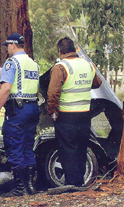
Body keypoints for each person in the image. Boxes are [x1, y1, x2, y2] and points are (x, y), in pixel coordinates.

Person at [47, 37, 102, 188]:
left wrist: (52, 111)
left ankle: (73, 183)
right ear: (74, 49)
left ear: (60, 51)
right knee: (81, 148)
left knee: (68, 149)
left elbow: (53, 93)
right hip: (84, 115)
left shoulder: (60, 67)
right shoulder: (88, 65)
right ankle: (80, 181)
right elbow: (97, 83)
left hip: (66, 115)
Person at [0, 33, 40, 196]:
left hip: (18, 110)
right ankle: (30, 186)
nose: (7, 49)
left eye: (8, 46)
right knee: (28, 146)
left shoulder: (12, 63)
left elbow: (5, 88)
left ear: (13, 45)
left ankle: (19, 188)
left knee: (15, 145)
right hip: (33, 107)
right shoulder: (34, 64)